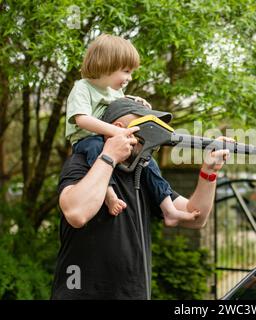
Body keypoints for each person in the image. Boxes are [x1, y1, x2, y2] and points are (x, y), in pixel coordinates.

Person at [52, 99, 231, 299]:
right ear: (118, 128)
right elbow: (76, 213)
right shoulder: (82, 163)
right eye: (145, 123)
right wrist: (110, 156)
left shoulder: (143, 171)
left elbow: (195, 217)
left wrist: (209, 172)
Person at [66, 33, 196, 225]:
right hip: (87, 139)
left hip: (109, 138)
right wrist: (116, 131)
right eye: (126, 71)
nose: (129, 77)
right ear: (106, 64)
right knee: (96, 149)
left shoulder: (114, 90)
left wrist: (134, 100)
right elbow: (82, 119)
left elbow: (119, 108)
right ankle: (109, 195)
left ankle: (168, 208)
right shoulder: (82, 87)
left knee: (146, 159)